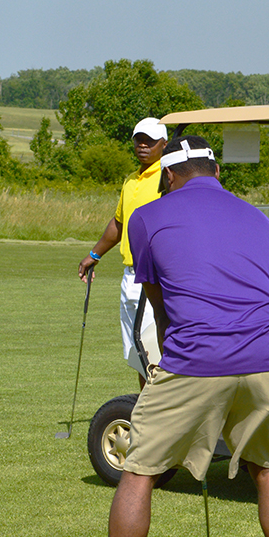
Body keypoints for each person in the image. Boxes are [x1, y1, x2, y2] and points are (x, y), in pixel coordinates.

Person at [79, 135, 269, 537]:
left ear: (168, 175)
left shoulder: (145, 217)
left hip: (197, 356)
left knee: (139, 470)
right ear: (217, 172)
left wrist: (174, 366)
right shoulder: (258, 218)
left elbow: (162, 308)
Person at [77, 117, 166, 387]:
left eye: (149, 141)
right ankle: (145, 408)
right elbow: (119, 222)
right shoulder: (130, 180)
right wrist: (94, 255)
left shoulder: (169, 176)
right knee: (137, 351)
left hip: (156, 277)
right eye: (139, 139)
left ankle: (162, 412)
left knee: (155, 347)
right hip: (130, 275)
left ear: (163, 144)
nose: (142, 145)